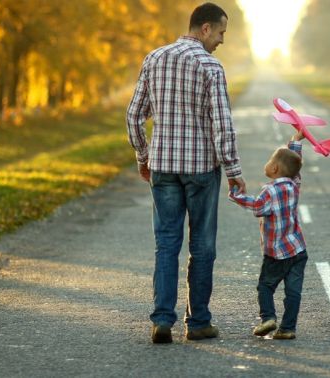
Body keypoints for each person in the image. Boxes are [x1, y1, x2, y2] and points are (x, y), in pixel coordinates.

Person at [126, 2, 246, 344]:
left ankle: (162, 321)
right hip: (201, 170)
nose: (222, 39)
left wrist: (143, 155)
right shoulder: (210, 66)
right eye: (221, 32)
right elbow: (222, 125)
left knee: (166, 245)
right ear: (205, 28)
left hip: (163, 168)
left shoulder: (154, 58)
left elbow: (134, 116)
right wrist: (234, 169)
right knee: (202, 246)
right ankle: (198, 324)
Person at [228, 129, 308, 340]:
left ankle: (268, 318)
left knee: (265, 286)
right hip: (298, 250)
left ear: (273, 168)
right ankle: (287, 328)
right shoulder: (294, 185)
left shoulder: (269, 191)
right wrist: (295, 142)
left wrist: (237, 196)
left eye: (269, 160)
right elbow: (295, 167)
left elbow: (257, 207)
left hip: (276, 254)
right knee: (293, 292)